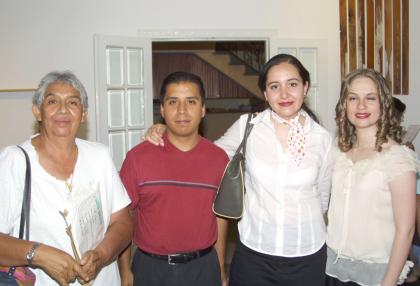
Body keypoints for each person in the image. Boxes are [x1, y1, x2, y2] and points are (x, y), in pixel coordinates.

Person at [145, 54, 334, 286]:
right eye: (275, 86)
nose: (284, 94)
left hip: (308, 254)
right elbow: (204, 156)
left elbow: (323, 198)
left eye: (292, 84)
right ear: (265, 94)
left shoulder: (322, 139)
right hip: (255, 255)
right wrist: (168, 128)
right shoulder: (248, 126)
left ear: (305, 87)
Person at [0, 71, 133, 285]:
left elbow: (123, 221)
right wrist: (38, 254)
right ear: (38, 111)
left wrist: (100, 256)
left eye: (73, 102)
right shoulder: (14, 162)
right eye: (52, 101)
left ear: (83, 114)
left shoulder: (99, 156)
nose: (63, 109)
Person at [117, 71, 229, 286]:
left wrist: (220, 267)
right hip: (150, 269)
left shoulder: (218, 158)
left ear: (203, 109)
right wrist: (125, 271)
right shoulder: (137, 158)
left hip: (203, 268)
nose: (182, 110)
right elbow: (123, 217)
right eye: (173, 102)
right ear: (162, 109)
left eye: (191, 101)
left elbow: (220, 218)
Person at [325, 68, 419, 286]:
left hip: (377, 275)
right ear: (344, 104)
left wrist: (388, 282)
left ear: (383, 103)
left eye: (370, 98)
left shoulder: (397, 158)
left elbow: (406, 230)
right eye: (353, 98)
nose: (361, 106)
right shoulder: (337, 153)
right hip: (333, 269)